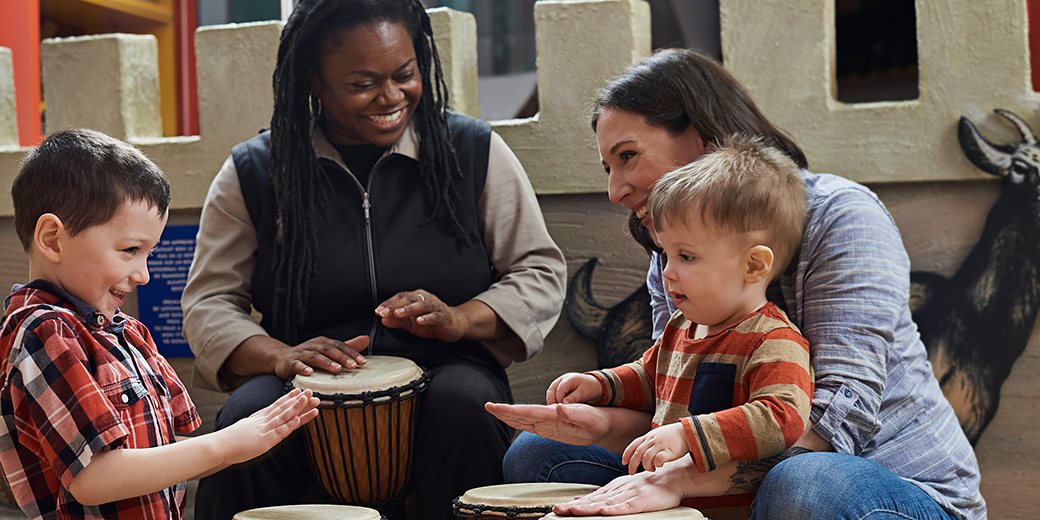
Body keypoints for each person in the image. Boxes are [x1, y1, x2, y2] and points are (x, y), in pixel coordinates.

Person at [486, 49, 986, 520]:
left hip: (891, 484)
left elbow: (836, 425)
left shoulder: (841, 215)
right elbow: (683, 406)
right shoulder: (673, 253)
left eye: (629, 156)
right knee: (541, 454)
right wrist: (606, 424)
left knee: (804, 486)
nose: (615, 190)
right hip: (746, 470)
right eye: (608, 167)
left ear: (703, 137)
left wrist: (680, 479)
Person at [179, 1, 566, 519]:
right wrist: (277, 355)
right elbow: (209, 302)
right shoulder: (256, 171)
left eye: (405, 74)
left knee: (465, 402)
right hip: (302, 374)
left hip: (451, 367)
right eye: (362, 83)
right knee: (249, 415)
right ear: (314, 81)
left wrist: (461, 319)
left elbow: (537, 270)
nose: (391, 97)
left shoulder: (471, 151)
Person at [0, 128, 320, 520]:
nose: (143, 275)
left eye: (148, 253)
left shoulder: (126, 331)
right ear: (53, 240)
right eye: (130, 250)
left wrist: (256, 436)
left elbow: (170, 448)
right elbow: (93, 477)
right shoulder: (46, 333)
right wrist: (226, 445)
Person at [545, 136, 813, 517]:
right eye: (666, 254)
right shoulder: (681, 327)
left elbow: (781, 416)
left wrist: (686, 435)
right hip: (662, 504)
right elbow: (648, 377)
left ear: (754, 265)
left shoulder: (774, 340)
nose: (668, 272)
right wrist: (600, 385)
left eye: (686, 256)